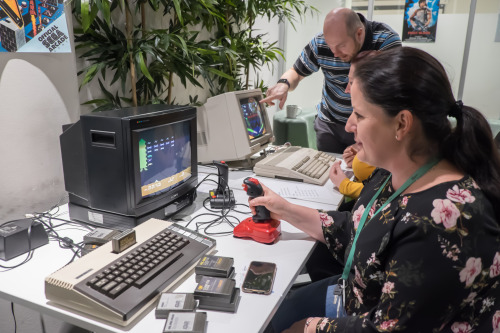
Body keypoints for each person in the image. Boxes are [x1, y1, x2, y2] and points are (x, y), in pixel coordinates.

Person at [251, 47, 500, 332]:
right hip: (357, 296)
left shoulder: (444, 220)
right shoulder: (395, 172)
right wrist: (283, 208)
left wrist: (310, 327)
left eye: (359, 114)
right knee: (270, 315)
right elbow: (360, 229)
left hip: (373, 317)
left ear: (402, 123)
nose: (348, 125)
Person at [260, 8, 401, 154]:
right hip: (329, 124)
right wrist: (283, 83)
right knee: (327, 170)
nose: (335, 53)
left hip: (368, 125)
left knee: (366, 172)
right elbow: (297, 71)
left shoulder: (386, 41)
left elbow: (389, 91)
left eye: (341, 46)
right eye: (330, 46)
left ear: (359, 33)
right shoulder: (320, 42)